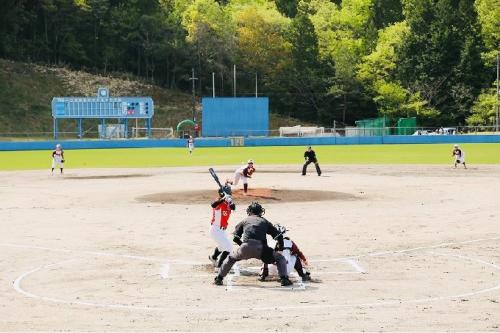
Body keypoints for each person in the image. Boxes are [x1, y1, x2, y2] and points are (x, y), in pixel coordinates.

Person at [214, 202, 293, 287]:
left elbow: (235, 238)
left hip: (245, 247)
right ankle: (284, 279)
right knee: (280, 258)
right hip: (261, 249)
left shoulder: (244, 220)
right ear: (260, 212)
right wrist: (280, 250)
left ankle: (219, 278)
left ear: (249, 211)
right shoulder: (264, 221)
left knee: (231, 259)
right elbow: (279, 236)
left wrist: (243, 246)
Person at [208, 182, 236, 271]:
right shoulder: (219, 202)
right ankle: (219, 267)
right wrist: (223, 198)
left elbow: (233, 207)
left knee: (222, 246)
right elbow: (213, 204)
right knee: (228, 248)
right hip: (215, 229)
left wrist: (229, 201)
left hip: (222, 231)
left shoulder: (228, 203)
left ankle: (213, 257)